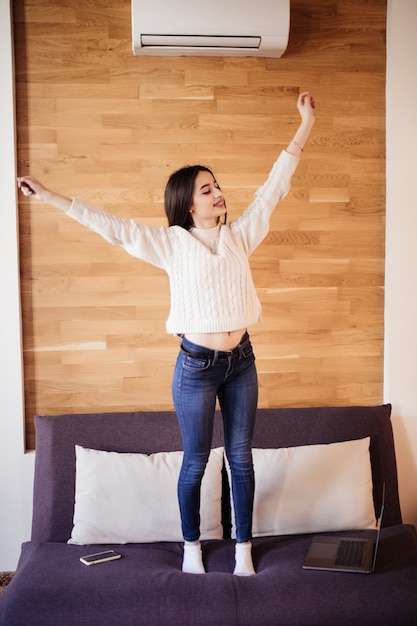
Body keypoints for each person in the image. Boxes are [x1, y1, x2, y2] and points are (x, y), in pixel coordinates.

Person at [18, 91, 315, 576]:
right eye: (206, 189)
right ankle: (192, 548)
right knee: (196, 462)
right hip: (196, 367)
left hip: (242, 362)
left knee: (241, 458)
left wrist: (304, 124)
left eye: (217, 186)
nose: (218, 193)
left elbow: (276, 185)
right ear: (186, 202)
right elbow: (111, 227)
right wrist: (50, 195)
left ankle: (243, 550)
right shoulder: (170, 244)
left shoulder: (240, 235)